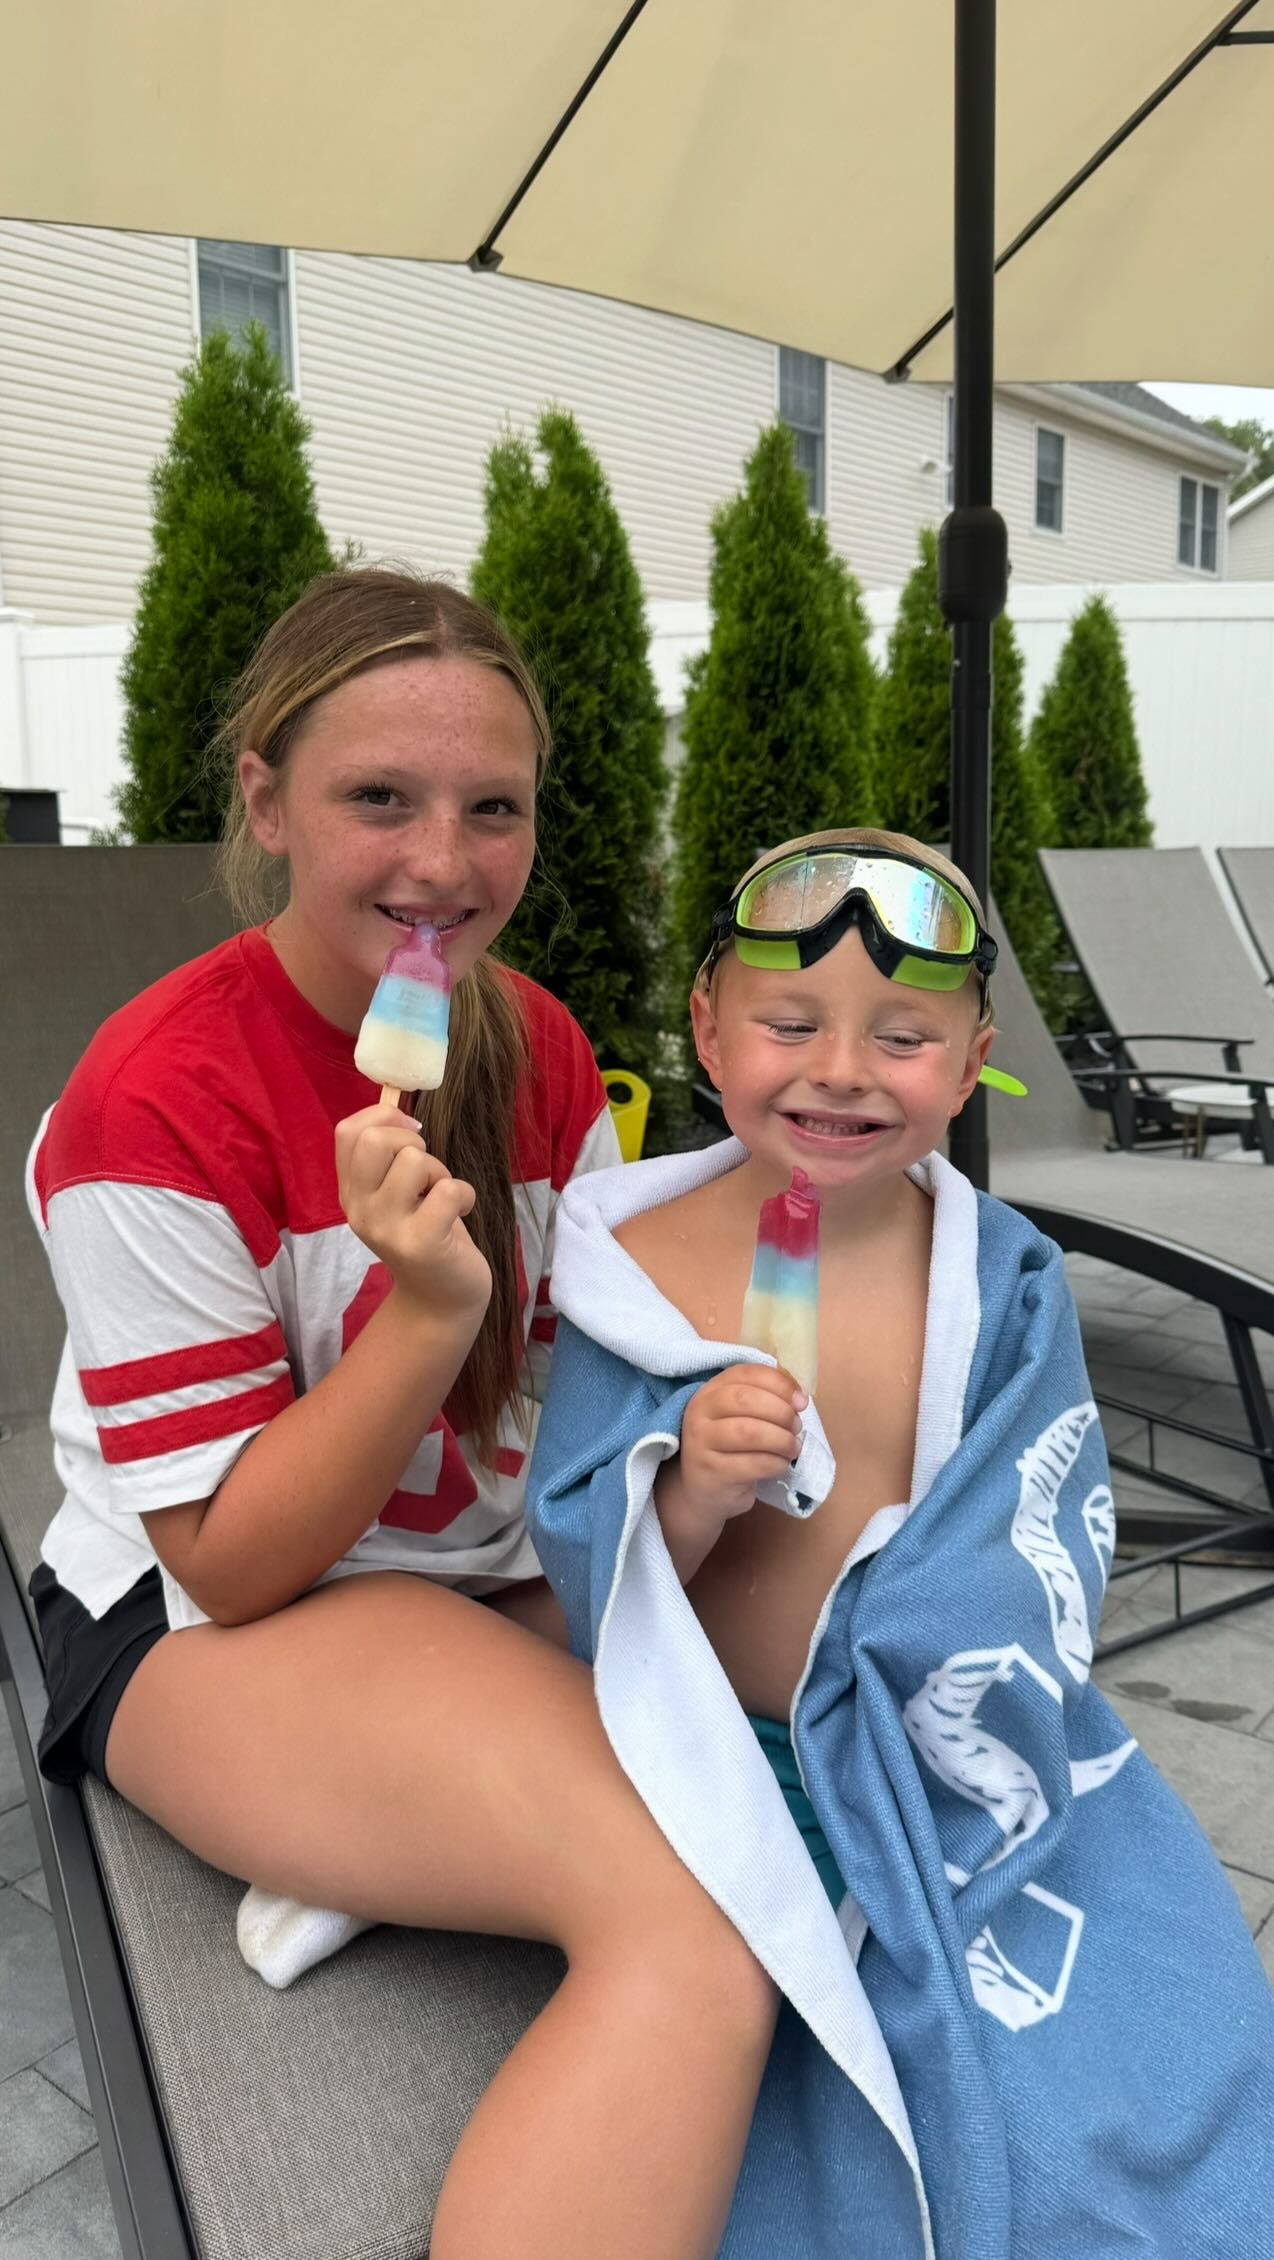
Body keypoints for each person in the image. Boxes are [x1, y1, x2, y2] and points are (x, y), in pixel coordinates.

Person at [25, 568, 777, 2260]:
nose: (443, 864)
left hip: (469, 1570)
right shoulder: (155, 1105)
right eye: (380, 797)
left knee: (844, 1682)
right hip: (204, 1616)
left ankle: (389, 1830)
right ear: (265, 799)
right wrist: (429, 1314)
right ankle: (372, 1818)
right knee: (700, 1923)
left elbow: (583, 1394)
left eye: (490, 809)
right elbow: (231, 1564)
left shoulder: (541, 1052)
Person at [527, 828, 1274, 2259]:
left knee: (1147, 2034)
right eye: (789, 1023)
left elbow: (1041, 1519)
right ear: (707, 1028)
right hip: (723, 1750)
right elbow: (585, 1568)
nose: (840, 1072)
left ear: (975, 1052)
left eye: (905, 1036)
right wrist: (681, 1487)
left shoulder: (1000, 1278)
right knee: (747, 2045)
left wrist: (928, 1650)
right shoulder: (634, 1273)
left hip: (940, 1744)